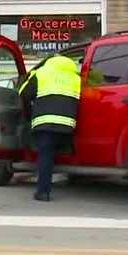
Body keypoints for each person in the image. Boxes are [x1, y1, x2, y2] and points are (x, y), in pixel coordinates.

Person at [18, 54, 81, 202]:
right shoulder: (76, 78)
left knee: (45, 155)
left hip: (45, 122)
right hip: (67, 124)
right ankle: (75, 178)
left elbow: (23, 94)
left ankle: (43, 192)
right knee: (59, 151)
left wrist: (29, 113)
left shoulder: (41, 73)